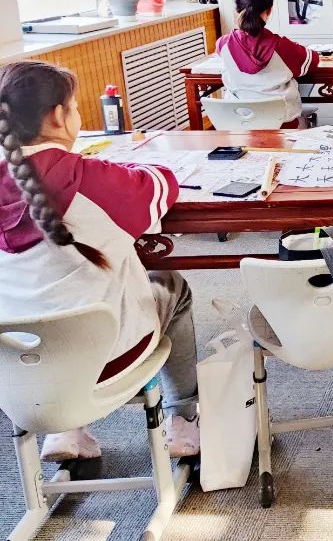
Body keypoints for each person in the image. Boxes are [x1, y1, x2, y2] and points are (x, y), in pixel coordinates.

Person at [0, 61, 199, 460]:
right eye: (74, 106)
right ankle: (183, 418)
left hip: (15, 372)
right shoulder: (91, 181)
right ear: (58, 115)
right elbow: (163, 182)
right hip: (105, 361)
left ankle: (65, 432)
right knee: (173, 286)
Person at [217, 0, 319, 127]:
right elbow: (313, 60)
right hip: (284, 130)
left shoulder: (223, 45)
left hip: (241, 129)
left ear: (236, 9)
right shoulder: (281, 46)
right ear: (269, 9)